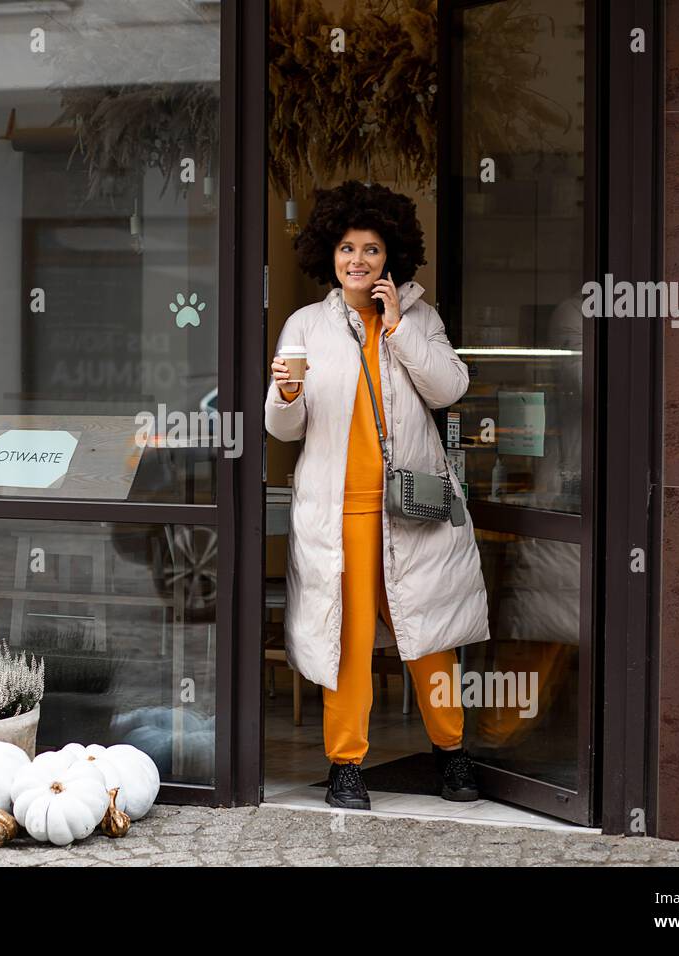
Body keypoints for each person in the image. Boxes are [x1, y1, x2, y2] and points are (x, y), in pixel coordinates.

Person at [265, 181, 491, 810]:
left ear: (390, 255)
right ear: (328, 255)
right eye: (345, 248)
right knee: (349, 641)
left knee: (430, 638)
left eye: (369, 248)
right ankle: (346, 765)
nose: (357, 260)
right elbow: (282, 427)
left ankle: (453, 752)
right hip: (341, 515)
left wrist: (396, 328)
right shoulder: (304, 325)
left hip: (412, 509)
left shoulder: (419, 317)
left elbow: (450, 388)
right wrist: (284, 394)